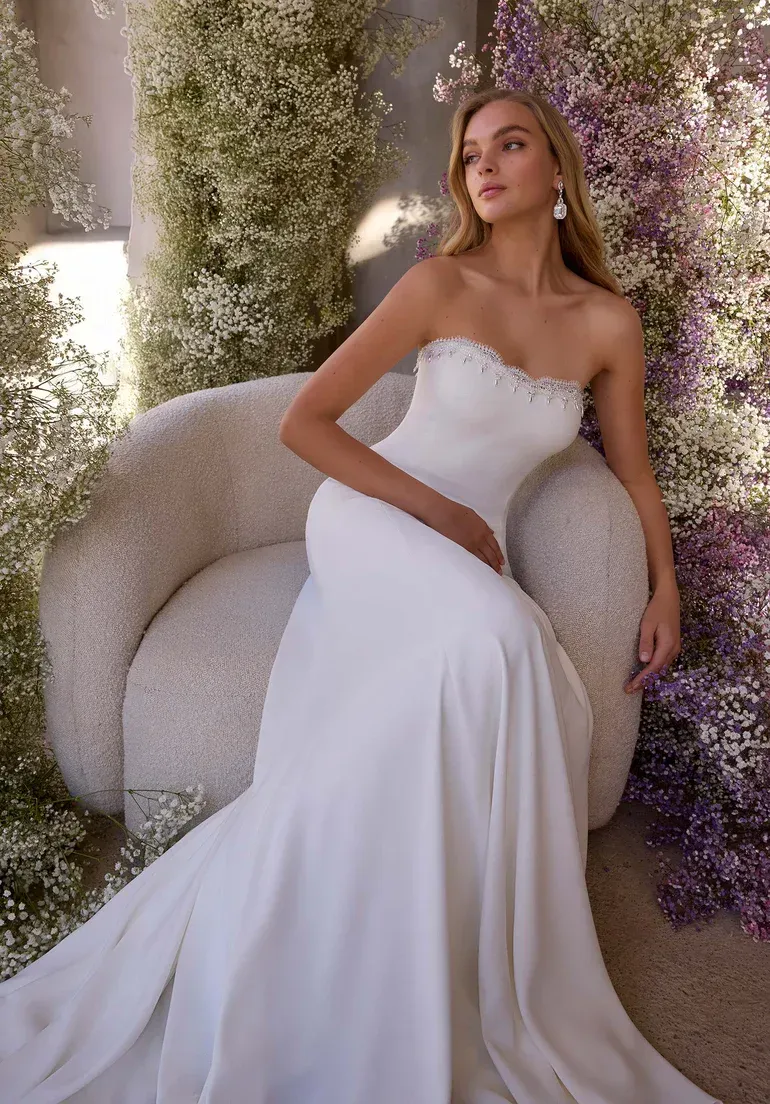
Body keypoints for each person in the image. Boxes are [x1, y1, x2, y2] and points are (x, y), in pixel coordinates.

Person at [0, 87, 723, 1104]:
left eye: (509, 143)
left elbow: (635, 475)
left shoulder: (605, 321)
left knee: (522, 666)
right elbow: (309, 423)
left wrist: (664, 586)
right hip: (376, 520)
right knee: (497, 651)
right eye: (470, 150)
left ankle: (432, 942)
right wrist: (441, 515)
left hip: (464, 555)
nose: (483, 163)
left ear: (556, 172)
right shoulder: (437, 288)